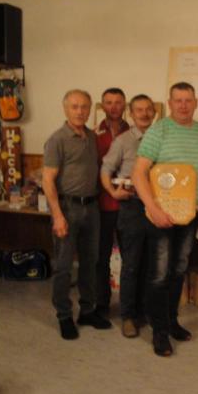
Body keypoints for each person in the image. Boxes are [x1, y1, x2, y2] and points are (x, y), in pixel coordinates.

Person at [132, 82, 198, 356]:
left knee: (179, 269)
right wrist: (153, 208)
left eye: (188, 100)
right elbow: (138, 173)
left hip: (189, 215)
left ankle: (171, 321)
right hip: (160, 215)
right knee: (159, 274)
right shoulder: (159, 130)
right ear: (169, 103)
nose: (183, 105)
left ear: (196, 102)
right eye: (178, 100)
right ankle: (159, 332)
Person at [42, 89, 112, 340]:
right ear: (65, 109)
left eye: (84, 106)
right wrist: (58, 216)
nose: (80, 111)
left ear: (90, 108)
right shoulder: (57, 140)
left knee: (90, 263)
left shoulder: (92, 137)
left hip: (92, 208)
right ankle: (64, 315)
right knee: (63, 266)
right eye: (74, 106)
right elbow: (47, 180)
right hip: (67, 208)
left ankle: (87, 311)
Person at [99, 94, 156, 338]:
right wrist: (113, 192)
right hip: (132, 208)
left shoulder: (161, 138)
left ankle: (145, 312)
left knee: (150, 264)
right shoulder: (123, 141)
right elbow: (106, 169)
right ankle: (128, 317)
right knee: (131, 265)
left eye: (148, 109)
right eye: (139, 110)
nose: (144, 113)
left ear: (154, 113)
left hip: (157, 207)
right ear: (131, 114)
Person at [95, 88, 130, 318]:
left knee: (131, 259)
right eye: (109, 102)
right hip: (103, 205)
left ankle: (130, 308)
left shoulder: (134, 133)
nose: (114, 107)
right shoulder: (94, 134)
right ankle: (101, 305)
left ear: (124, 105)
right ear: (102, 105)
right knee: (101, 258)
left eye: (118, 102)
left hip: (129, 205)